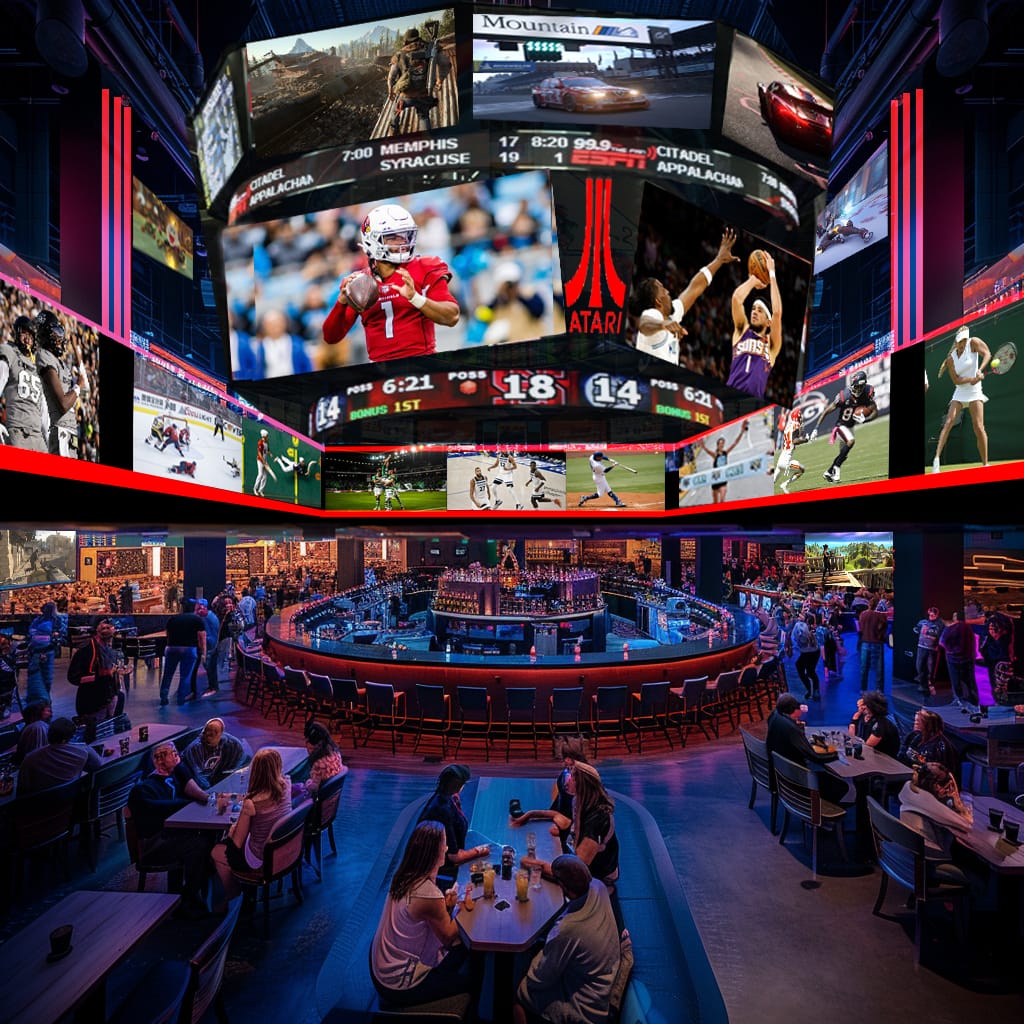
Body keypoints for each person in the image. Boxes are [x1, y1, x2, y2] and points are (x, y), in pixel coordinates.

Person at [323, 203, 459, 362]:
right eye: (393, 237)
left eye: (405, 235)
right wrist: (341, 302)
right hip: (380, 370)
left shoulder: (425, 267)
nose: (401, 242)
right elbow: (331, 337)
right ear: (372, 240)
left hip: (422, 362)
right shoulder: (360, 283)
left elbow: (452, 317)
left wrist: (415, 298)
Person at [369, 820, 471, 1007]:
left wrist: (445, 907)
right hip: (398, 985)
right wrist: (465, 905)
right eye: (444, 844)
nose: (447, 848)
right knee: (469, 955)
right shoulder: (427, 894)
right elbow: (448, 936)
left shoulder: (403, 876)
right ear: (435, 853)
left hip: (379, 970)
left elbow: (423, 914)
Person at [514, 855, 622, 1024]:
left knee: (521, 991)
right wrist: (538, 865)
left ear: (563, 886)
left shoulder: (568, 929)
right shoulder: (597, 886)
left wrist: (528, 964)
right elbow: (568, 875)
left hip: (586, 1008)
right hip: (602, 979)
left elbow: (540, 979)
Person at [128, 742, 213, 916]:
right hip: (154, 845)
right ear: (158, 761)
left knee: (209, 836)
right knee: (200, 844)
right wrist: (187, 804)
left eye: (176, 752)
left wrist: (180, 766)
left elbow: (199, 788)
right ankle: (188, 901)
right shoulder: (143, 789)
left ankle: (198, 893)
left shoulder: (175, 778)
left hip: (172, 837)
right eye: (171, 753)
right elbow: (161, 807)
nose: (177, 755)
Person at [633, 229, 739, 365]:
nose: (667, 291)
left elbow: (695, 287)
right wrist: (662, 324)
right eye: (662, 289)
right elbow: (644, 324)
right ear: (658, 301)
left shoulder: (673, 315)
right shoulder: (653, 315)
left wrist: (719, 260)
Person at [519, 761, 620, 893]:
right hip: (582, 863)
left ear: (582, 785)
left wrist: (540, 865)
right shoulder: (579, 800)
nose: (566, 782)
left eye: (572, 778)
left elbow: (576, 869)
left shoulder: (597, 819)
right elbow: (562, 818)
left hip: (597, 876)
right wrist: (530, 814)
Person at [211, 748, 292, 906]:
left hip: (259, 858)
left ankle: (233, 895)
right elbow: (263, 792)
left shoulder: (251, 803)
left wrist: (233, 827)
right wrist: (232, 797)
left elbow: (237, 842)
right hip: (278, 849)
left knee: (217, 851)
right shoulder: (286, 785)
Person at [415, 764, 490, 890]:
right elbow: (453, 857)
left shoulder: (447, 798)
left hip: (451, 854)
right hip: (439, 867)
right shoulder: (442, 809)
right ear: (458, 786)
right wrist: (479, 850)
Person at [765, 693, 848, 805]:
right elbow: (815, 757)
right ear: (793, 710)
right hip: (795, 778)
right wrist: (838, 754)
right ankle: (819, 811)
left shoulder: (774, 716)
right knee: (841, 786)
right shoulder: (791, 729)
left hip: (779, 773)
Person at [933, 324, 991, 472]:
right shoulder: (951, 358)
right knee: (948, 422)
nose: (962, 343)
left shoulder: (974, 343)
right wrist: (970, 379)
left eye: (964, 340)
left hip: (975, 390)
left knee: (978, 427)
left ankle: (985, 464)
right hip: (960, 391)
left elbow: (987, 354)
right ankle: (936, 460)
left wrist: (979, 370)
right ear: (956, 341)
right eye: (960, 341)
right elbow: (956, 380)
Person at [726, 252, 783, 398]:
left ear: (768, 322)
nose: (754, 312)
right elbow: (736, 299)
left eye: (760, 310)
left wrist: (771, 273)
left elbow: (777, 313)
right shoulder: (741, 331)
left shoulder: (771, 345)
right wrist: (753, 280)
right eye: (753, 309)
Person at [898, 761, 973, 860]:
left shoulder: (910, 791)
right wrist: (957, 802)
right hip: (931, 859)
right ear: (936, 786)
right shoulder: (931, 804)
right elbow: (965, 824)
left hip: (906, 857)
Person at [67, 618, 127, 737]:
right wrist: (101, 675)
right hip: (93, 702)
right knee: (97, 738)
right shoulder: (86, 651)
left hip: (110, 697)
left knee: (110, 736)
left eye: (109, 627)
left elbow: (113, 671)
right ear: (96, 630)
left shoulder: (110, 649)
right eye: (103, 628)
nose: (107, 630)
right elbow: (73, 678)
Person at [816, 370, 878, 484]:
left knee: (843, 455)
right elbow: (826, 411)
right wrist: (816, 428)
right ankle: (835, 471)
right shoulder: (844, 395)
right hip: (840, 426)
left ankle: (829, 472)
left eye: (858, 386)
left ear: (863, 385)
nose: (856, 389)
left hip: (850, 427)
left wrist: (866, 420)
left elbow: (875, 411)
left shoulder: (867, 392)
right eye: (855, 386)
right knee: (851, 442)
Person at [35, 309, 82, 457]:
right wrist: (78, 386)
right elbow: (63, 404)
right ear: (47, 334)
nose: (61, 338)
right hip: (61, 431)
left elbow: (84, 383)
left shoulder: (58, 362)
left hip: (69, 433)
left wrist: (76, 351)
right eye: (57, 332)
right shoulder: (44, 356)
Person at [16, 716, 102, 795]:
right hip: (72, 800)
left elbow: (22, 789)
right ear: (70, 737)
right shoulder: (84, 751)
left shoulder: (30, 759)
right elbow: (98, 768)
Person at [386, 27, 449, 135]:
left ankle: (393, 132)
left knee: (395, 112)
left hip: (406, 96)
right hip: (424, 94)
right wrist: (440, 80)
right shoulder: (430, 48)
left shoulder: (399, 54)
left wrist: (390, 90)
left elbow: (391, 76)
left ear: (406, 40)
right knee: (424, 117)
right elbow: (445, 64)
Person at [0, 314, 48, 452]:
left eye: (31, 335)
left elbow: (43, 409)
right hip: (17, 431)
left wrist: (49, 437)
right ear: (17, 333)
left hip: (37, 435)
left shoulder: (37, 366)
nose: (27, 338)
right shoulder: (9, 352)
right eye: (24, 333)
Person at [160, 602, 207, 706]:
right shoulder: (197, 619)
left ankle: (164, 696)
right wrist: (203, 653)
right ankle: (181, 698)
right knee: (185, 675)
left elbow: (167, 634)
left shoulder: (173, 618)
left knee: (167, 674)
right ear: (193, 609)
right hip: (189, 649)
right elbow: (202, 638)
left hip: (171, 648)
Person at [180, 717, 247, 789]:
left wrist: (232, 773)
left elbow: (241, 754)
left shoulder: (231, 742)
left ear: (221, 734)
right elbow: (198, 775)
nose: (210, 735)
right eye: (208, 732)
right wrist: (212, 790)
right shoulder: (195, 748)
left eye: (215, 732)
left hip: (215, 775)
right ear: (204, 732)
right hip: (198, 780)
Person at [700, 422, 748, 505]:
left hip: (723, 479)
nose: (722, 445)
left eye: (723, 443)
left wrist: (741, 431)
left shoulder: (726, 453)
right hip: (715, 479)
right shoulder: (715, 455)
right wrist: (702, 444)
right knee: (715, 502)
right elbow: (706, 450)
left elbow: (735, 443)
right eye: (720, 444)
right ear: (717, 445)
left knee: (722, 500)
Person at [899, 708, 957, 773]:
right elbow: (901, 755)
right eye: (915, 721)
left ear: (929, 725)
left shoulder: (941, 746)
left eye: (918, 721)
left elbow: (941, 773)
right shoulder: (913, 736)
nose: (915, 723)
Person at [940, 612, 979, 708]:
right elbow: (974, 641)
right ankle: (974, 701)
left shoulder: (950, 628)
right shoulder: (968, 628)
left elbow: (942, 642)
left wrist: (950, 651)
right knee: (970, 681)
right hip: (968, 658)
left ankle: (960, 700)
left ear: (955, 617)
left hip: (953, 659)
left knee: (956, 681)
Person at [298, 721, 348, 796]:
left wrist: (307, 784)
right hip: (330, 793)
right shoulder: (336, 752)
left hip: (320, 796)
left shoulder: (318, 763)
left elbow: (314, 789)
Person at [26, 601, 61, 703]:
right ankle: (42, 700)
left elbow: (32, 631)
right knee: (42, 675)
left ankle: (43, 700)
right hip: (41, 650)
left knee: (41, 675)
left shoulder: (51, 620)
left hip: (43, 650)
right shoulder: (43, 620)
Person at [773, 407, 810, 493]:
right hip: (786, 462)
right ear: (798, 416)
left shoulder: (788, 426)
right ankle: (785, 484)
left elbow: (795, 436)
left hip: (780, 460)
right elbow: (795, 440)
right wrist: (805, 440)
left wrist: (801, 431)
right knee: (802, 470)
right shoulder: (796, 425)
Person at [857, 595, 888, 690]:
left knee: (864, 668)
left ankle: (863, 689)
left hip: (865, 642)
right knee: (879, 669)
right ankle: (879, 690)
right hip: (877, 643)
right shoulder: (881, 616)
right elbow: (883, 629)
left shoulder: (863, 614)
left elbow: (860, 629)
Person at [913, 606, 944, 697]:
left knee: (931, 668)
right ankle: (922, 685)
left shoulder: (940, 624)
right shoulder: (923, 622)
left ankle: (930, 685)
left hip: (932, 649)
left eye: (933, 615)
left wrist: (931, 637)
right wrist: (920, 631)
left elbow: (941, 635)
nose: (931, 616)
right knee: (919, 666)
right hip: (921, 647)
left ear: (937, 615)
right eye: (930, 614)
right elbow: (915, 629)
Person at [193, 598, 220, 697]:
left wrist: (202, 647)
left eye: (196, 606)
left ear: (202, 607)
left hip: (210, 646)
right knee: (210, 666)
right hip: (212, 644)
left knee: (210, 666)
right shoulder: (210, 615)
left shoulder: (206, 618)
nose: (195, 609)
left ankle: (213, 688)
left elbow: (206, 635)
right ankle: (212, 686)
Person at [860, 689, 899, 757]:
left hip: (886, 760)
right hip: (873, 755)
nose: (862, 707)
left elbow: (868, 746)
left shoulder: (880, 724)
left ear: (872, 706)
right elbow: (854, 737)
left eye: (865, 704)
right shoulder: (867, 717)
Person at [792, 612, 821, 700]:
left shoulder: (801, 626)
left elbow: (801, 640)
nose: (799, 615)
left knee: (809, 671)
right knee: (806, 670)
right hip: (811, 651)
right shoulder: (802, 625)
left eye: (801, 615)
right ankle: (812, 690)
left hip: (810, 652)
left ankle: (813, 690)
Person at [12, 699, 52, 764]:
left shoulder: (35, 726)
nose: (50, 712)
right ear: (36, 714)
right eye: (47, 711)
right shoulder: (38, 727)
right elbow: (38, 754)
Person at [979, 613, 1013, 689]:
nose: (992, 631)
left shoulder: (1005, 641)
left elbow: (1004, 654)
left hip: (1002, 663)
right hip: (992, 662)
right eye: (990, 628)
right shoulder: (988, 639)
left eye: (994, 628)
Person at [254, 429, 272, 497]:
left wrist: (270, 454)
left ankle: (260, 490)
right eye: (267, 436)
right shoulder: (260, 443)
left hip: (265, 461)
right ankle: (255, 489)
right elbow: (259, 453)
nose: (268, 437)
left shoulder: (266, 442)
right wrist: (263, 460)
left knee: (265, 476)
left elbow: (267, 450)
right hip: (260, 461)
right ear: (264, 436)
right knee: (260, 474)